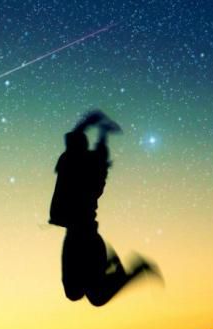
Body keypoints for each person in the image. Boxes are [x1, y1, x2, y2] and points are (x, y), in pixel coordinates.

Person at [50, 110, 162, 306]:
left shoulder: (79, 169)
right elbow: (80, 144)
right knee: (83, 294)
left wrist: (93, 126)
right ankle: (124, 268)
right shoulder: (78, 166)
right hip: (85, 238)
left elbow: (78, 142)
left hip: (85, 238)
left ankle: (130, 268)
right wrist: (99, 130)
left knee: (82, 294)